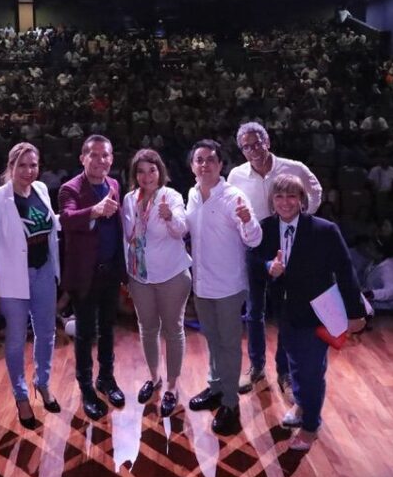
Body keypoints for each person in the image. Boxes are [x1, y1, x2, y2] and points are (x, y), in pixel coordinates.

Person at [252, 174, 366, 452]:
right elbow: (253, 260)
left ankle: (311, 426)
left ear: (302, 200)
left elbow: (345, 271)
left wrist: (355, 312)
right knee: (295, 365)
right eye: (279, 196)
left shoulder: (325, 230)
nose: (285, 202)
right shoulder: (265, 228)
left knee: (311, 370)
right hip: (286, 313)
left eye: (292, 196)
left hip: (319, 313)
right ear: (272, 201)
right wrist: (269, 266)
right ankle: (302, 406)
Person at [227, 121, 322, 395]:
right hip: (254, 246)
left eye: (257, 143)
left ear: (267, 141)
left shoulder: (293, 168)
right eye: (246, 146)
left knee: (286, 310)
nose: (253, 150)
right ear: (241, 150)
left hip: (286, 244)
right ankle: (256, 366)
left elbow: (315, 192)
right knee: (254, 310)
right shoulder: (236, 175)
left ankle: (285, 371)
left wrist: (300, 219)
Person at [0, 142, 61, 428]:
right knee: (16, 339)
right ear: (11, 166)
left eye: (33, 165)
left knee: (47, 333)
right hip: (12, 278)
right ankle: (21, 395)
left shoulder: (40, 190)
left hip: (44, 272)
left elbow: (49, 226)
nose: (29, 171)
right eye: (22, 165)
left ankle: (43, 382)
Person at [185, 139, 262, 435]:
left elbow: (253, 238)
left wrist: (247, 221)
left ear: (220, 165)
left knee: (229, 345)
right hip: (202, 284)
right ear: (193, 166)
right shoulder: (192, 194)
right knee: (213, 340)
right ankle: (216, 387)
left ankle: (231, 404)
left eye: (210, 160)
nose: (204, 165)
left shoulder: (233, 196)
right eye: (199, 160)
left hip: (228, 285)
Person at [58, 134, 126, 421]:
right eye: (94, 155)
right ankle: (86, 387)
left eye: (106, 155)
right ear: (82, 158)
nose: (101, 161)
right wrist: (95, 211)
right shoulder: (69, 188)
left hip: (110, 270)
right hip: (84, 275)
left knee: (109, 329)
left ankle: (106, 379)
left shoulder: (114, 184)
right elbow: (67, 219)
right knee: (86, 334)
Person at [120, 148, 190, 417]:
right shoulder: (129, 199)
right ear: (134, 174)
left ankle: (172, 387)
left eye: (152, 170)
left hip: (172, 275)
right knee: (147, 328)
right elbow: (128, 237)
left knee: (173, 330)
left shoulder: (170, 196)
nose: (147, 176)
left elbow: (182, 230)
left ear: (160, 172)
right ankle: (154, 377)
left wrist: (169, 216)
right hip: (140, 276)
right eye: (141, 171)